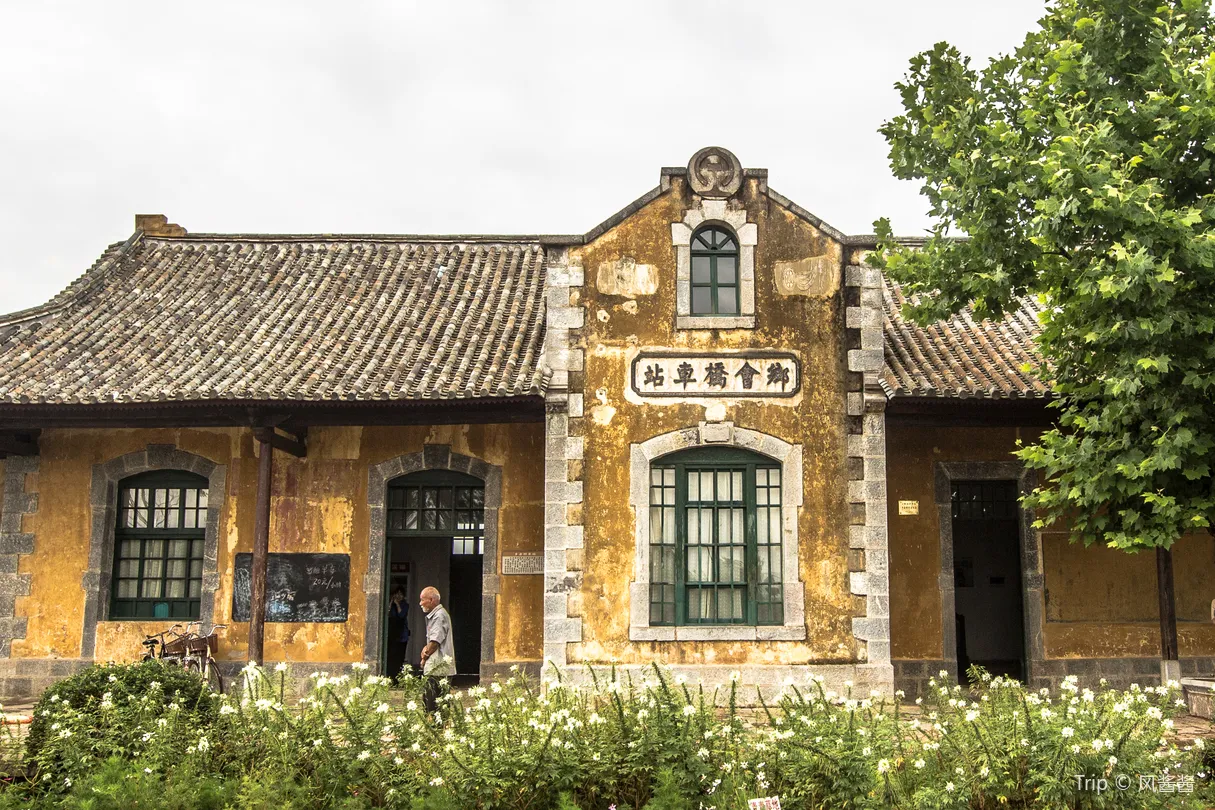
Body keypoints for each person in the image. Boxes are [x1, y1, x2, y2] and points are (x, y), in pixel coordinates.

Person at [419, 585, 456, 717]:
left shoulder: (438, 616)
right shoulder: (437, 615)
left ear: (431, 600)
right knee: (437, 703)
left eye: (423, 600)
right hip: (438, 667)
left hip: (438, 668)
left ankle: (437, 731)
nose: (420, 603)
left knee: (434, 704)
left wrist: (424, 657)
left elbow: (435, 642)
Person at [386, 586, 410, 678]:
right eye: (397, 594)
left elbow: (401, 615)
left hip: (401, 635)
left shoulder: (405, 605)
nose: (399, 596)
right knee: (391, 656)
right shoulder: (391, 605)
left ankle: (398, 677)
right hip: (392, 634)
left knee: (399, 657)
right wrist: (391, 602)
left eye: (401, 594)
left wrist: (397, 604)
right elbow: (387, 614)